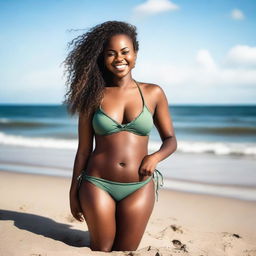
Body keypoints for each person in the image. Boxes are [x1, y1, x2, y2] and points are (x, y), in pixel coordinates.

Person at [62, 20, 177, 252]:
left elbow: (170, 140)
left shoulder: (153, 93)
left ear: (135, 54)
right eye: (111, 53)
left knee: (126, 249)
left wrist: (154, 158)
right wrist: (73, 192)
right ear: (102, 58)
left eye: (125, 52)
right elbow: (84, 149)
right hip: (97, 184)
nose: (119, 58)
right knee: (102, 248)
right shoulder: (92, 96)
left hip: (139, 186)